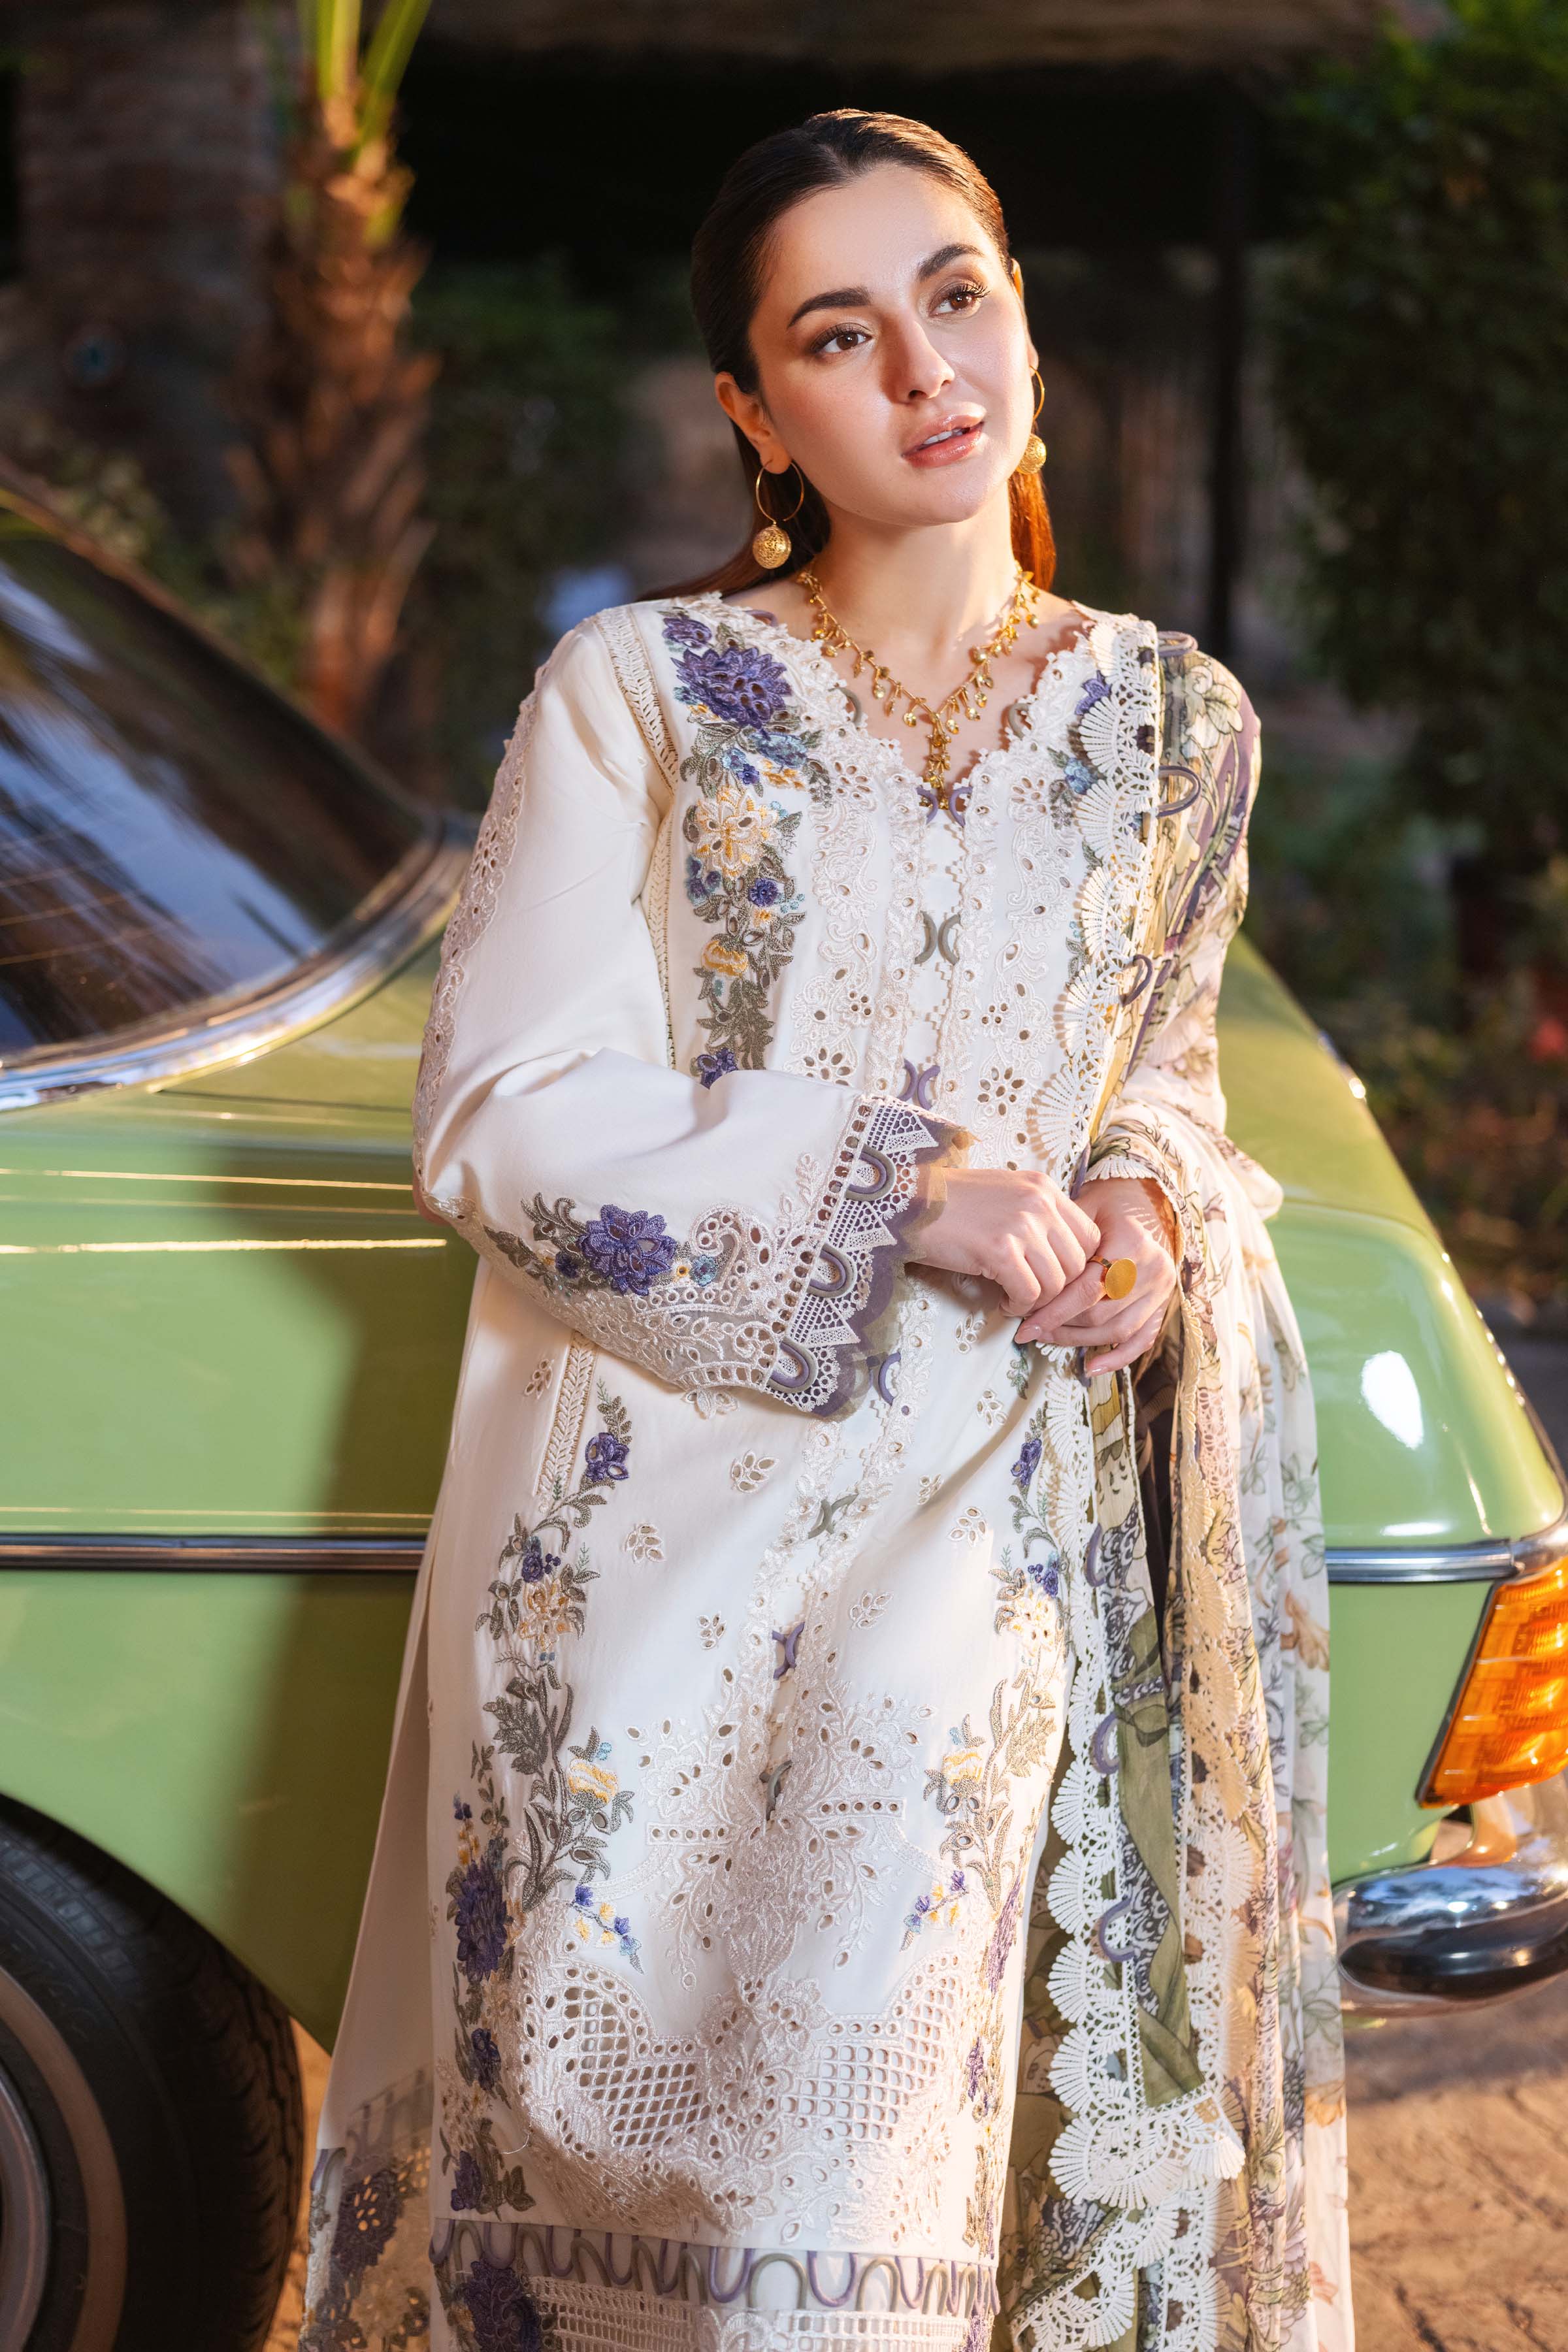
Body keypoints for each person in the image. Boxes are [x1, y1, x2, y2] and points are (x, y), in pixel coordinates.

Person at [301, 108, 1350, 2352]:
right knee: (672, 2241)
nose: (925, 370)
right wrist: (903, 1190)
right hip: (666, 1536)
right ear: (757, 414)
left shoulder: (1175, 726)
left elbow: (1163, 1056)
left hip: (1001, 1524)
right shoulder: (645, 693)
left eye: (957, 298)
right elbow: (499, 1111)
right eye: (842, 335)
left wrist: (1147, 1203)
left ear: (1024, 321)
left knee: (884, 2215)